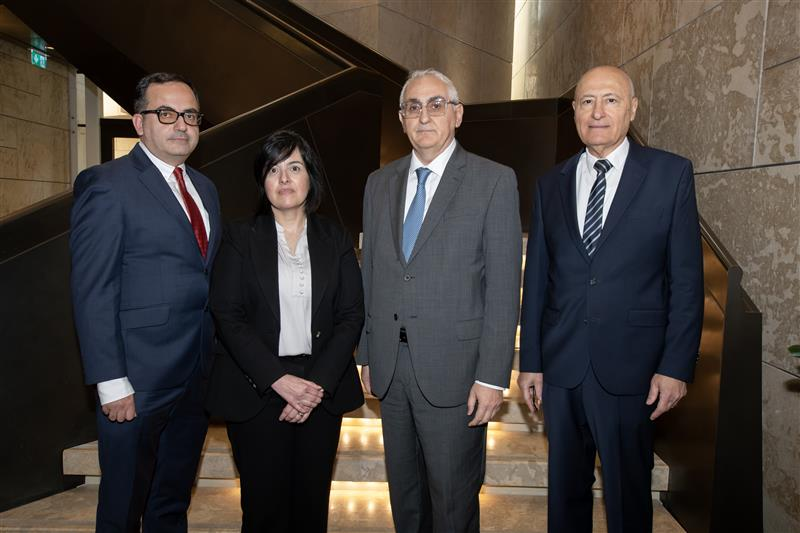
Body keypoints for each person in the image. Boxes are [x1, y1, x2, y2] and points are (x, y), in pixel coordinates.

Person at [517, 65, 704, 533]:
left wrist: (676, 366)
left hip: (633, 368)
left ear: (632, 109)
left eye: (611, 100)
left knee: (628, 496)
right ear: (574, 112)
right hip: (562, 368)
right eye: (586, 101)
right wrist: (531, 362)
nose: (597, 112)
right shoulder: (550, 183)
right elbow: (537, 280)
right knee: (565, 494)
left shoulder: (670, 174)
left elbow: (686, 281)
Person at [357, 68, 522, 533]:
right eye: (413, 106)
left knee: (452, 503)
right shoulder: (379, 183)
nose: (424, 116)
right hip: (391, 368)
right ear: (401, 118)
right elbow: (371, 275)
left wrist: (492, 376)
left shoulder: (493, 180)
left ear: (457, 114)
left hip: (457, 372)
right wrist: (366, 353)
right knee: (406, 500)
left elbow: (503, 287)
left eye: (436, 105)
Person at [70, 72, 221, 531]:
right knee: (123, 507)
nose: (181, 125)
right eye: (166, 113)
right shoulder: (107, 184)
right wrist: (111, 381)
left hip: (194, 375)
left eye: (190, 115)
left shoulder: (205, 188)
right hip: (136, 381)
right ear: (139, 122)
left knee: (171, 502)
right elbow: (93, 288)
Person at [205, 130, 364, 533]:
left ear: (311, 176)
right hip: (258, 391)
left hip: (319, 390)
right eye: (273, 169)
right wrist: (278, 380)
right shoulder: (238, 237)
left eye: (294, 167)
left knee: (311, 508)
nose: (284, 178)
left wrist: (314, 386)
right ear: (262, 181)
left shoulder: (335, 237)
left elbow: (351, 315)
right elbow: (228, 315)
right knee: (264, 511)